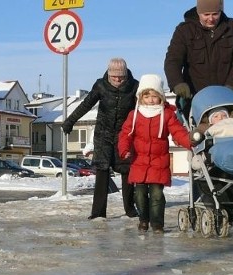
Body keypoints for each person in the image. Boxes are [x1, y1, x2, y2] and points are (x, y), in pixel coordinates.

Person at [62, 58, 139, 219]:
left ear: (126, 74)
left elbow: (142, 109)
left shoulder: (134, 86)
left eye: (121, 76)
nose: (117, 79)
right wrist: (70, 121)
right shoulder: (100, 85)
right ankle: (98, 212)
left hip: (124, 136)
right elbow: (86, 104)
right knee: (102, 171)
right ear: (109, 74)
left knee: (127, 171)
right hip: (103, 135)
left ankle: (130, 209)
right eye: (114, 76)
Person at [117, 74, 193, 234]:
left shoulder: (167, 114)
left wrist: (190, 142)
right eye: (147, 96)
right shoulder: (134, 115)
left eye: (154, 96)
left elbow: (178, 132)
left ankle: (157, 224)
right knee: (139, 195)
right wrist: (124, 150)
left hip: (159, 163)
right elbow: (125, 134)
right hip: (139, 162)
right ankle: (143, 220)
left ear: (160, 97)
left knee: (157, 195)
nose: (151, 100)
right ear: (141, 97)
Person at [164, 0, 233, 117]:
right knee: (184, 124)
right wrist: (177, 83)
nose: (211, 19)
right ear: (199, 12)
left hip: (227, 92)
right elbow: (173, 59)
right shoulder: (184, 30)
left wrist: (232, 86)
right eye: (206, 15)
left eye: (215, 14)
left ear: (220, 11)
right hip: (194, 94)